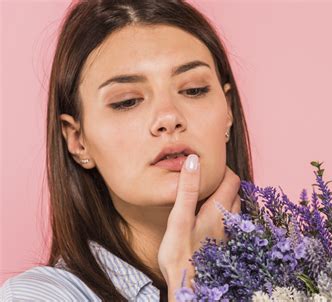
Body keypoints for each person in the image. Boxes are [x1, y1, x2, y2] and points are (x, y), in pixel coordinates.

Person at [0, 0, 254, 301]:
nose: (168, 117)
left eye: (193, 90)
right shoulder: (38, 295)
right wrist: (189, 280)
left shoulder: (303, 269)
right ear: (78, 140)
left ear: (228, 112)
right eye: (127, 101)